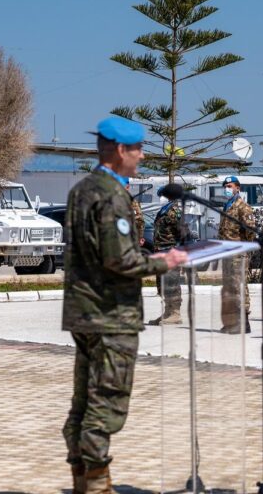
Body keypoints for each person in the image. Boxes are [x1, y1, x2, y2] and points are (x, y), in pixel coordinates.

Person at [62, 117, 188, 492]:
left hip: (84, 315)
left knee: (84, 404)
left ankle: (83, 480)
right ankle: (97, 486)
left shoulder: (81, 190)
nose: (142, 155)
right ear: (120, 151)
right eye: (137, 149)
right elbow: (121, 260)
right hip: (110, 318)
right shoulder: (112, 196)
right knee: (106, 408)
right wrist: (165, 262)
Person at [218, 175, 256, 333]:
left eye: (230, 186)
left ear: (237, 188)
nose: (227, 188)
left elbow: (251, 231)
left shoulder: (243, 206)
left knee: (239, 286)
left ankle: (244, 322)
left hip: (238, 254)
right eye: (225, 186)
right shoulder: (227, 206)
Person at [148, 186, 187, 325]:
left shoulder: (174, 210)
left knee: (171, 283)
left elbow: (182, 232)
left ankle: (175, 313)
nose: (161, 198)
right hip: (160, 251)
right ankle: (168, 312)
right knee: (162, 283)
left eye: (163, 195)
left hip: (170, 251)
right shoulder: (164, 210)